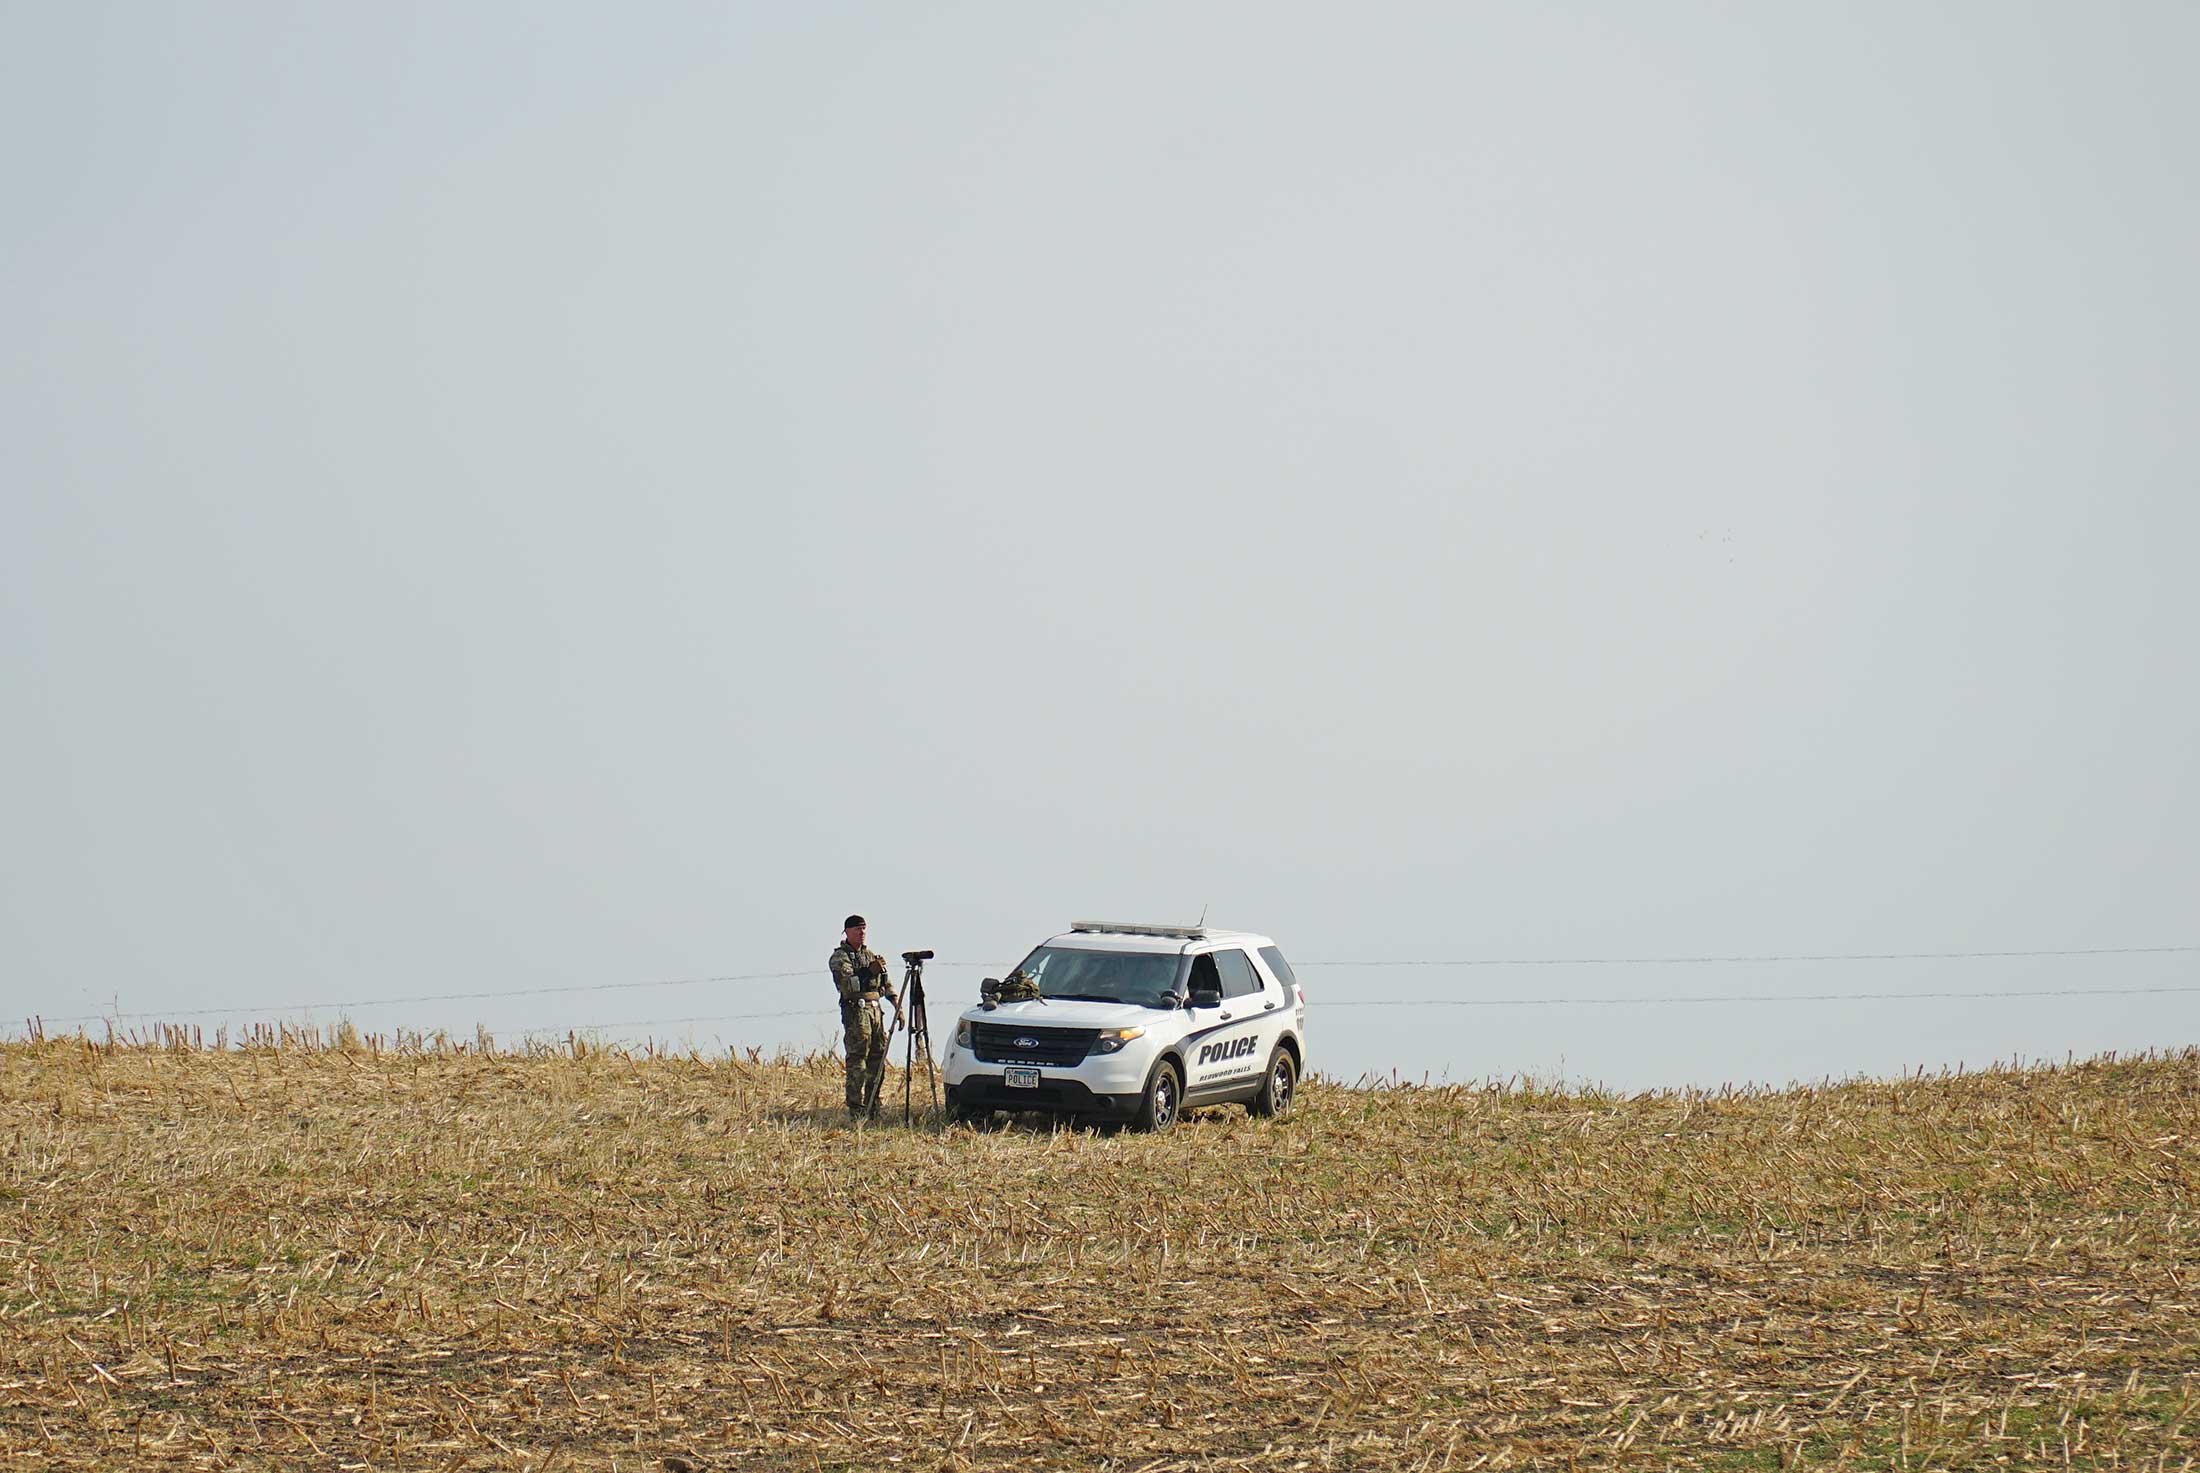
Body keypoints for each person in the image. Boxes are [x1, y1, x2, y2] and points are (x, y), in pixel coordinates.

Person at [828, 915, 902, 1123]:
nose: (861, 933)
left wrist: (897, 1005)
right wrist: (870, 971)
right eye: (857, 929)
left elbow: (885, 984)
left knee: (877, 1060)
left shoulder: (870, 955)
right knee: (858, 1060)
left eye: (864, 929)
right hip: (856, 1012)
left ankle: (873, 1104)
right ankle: (856, 1107)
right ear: (847, 932)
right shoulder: (840, 958)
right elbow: (848, 984)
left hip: (875, 1011)